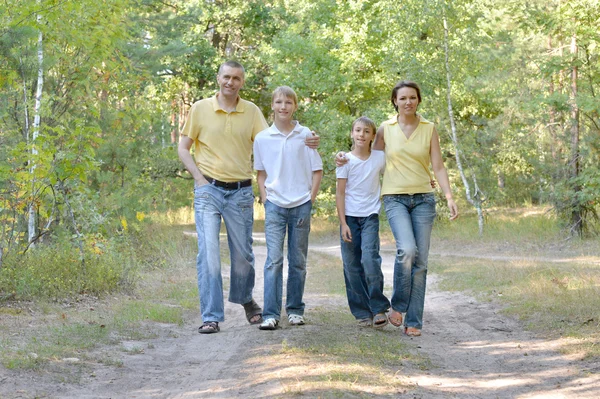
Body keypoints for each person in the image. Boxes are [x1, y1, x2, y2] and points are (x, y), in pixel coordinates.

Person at [177, 62, 319, 334]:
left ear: (242, 82)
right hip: (208, 190)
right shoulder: (200, 109)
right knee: (208, 255)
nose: (230, 82)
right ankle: (212, 316)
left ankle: (244, 298)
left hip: (241, 191)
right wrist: (199, 179)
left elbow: (275, 140)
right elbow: (184, 148)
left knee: (243, 256)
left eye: (236, 78)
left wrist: (308, 140)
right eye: (226, 77)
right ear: (218, 78)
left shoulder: (252, 111)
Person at [336, 80, 458, 336]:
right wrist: (343, 157)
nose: (408, 102)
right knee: (407, 250)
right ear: (395, 101)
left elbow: (438, 165)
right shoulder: (385, 129)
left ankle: (413, 320)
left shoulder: (429, 128)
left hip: (424, 198)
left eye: (412, 97)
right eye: (402, 98)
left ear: (418, 100)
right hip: (395, 199)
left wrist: (448, 196)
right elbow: (367, 156)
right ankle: (399, 305)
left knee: (421, 262)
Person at [253, 86, 323, 330]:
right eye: (279, 102)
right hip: (274, 205)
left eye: (288, 103)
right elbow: (261, 173)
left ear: (295, 106)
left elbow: (317, 170)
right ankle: (270, 314)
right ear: (272, 105)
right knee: (273, 260)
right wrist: (265, 198)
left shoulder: (306, 135)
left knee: (298, 260)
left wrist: (310, 199)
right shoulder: (262, 138)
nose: (283, 107)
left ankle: (294, 310)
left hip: (301, 205)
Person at [336, 116, 390, 329]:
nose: (361, 134)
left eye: (366, 131)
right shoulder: (345, 160)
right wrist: (343, 223)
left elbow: (397, 173)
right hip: (349, 217)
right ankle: (361, 311)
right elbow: (340, 193)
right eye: (358, 130)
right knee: (351, 265)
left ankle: (378, 308)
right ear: (352, 133)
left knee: (370, 259)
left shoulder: (379, 157)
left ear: (372, 136)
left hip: (370, 216)